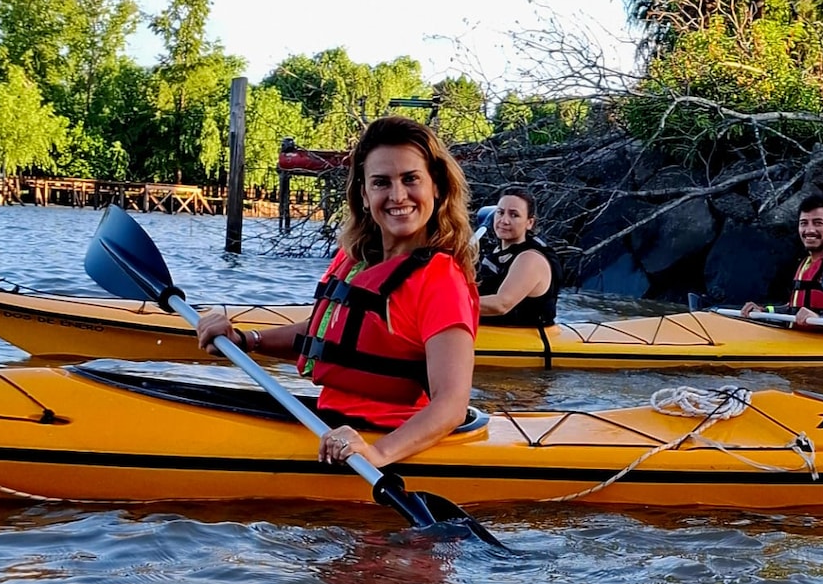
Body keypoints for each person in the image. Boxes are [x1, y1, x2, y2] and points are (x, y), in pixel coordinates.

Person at [196, 116, 479, 470]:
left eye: (411, 179)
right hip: (332, 422)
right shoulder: (356, 258)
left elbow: (451, 404)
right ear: (364, 193)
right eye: (381, 183)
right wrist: (247, 340)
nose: (397, 195)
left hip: (385, 438)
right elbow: (322, 333)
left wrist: (378, 454)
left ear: (436, 186)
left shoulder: (441, 280)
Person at [740, 193, 823, 330]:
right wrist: (763, 312)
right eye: (804, 223)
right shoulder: (807, 263)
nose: (809, 230)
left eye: (818, 223)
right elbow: (794, 309)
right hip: (801, 342)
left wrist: (821, 318)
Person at [476, 187, 562, 327]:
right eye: (500, 213)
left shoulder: (531, 259)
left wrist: (446, 305)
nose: (504, 220)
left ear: (529, 223)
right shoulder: (495, 252)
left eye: (514, 215)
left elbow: (501, 305)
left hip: (525, 340)